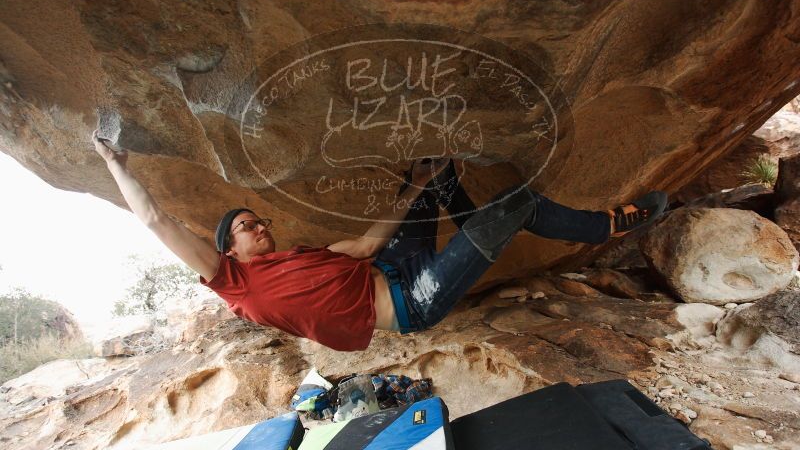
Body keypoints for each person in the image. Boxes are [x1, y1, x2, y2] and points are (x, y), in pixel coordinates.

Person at [93, 130, 667, 351]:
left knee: (427, 174)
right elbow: (156, 222)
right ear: (227, 253)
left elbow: (369, 244)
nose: (260, 227)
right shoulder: (234, 285)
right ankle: (609, 223)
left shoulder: (301, 256)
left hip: (393, 261)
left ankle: (462, 213)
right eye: (247, 227)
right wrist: (117, 165)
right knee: (516, 205)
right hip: (415, 298)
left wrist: (415, 185)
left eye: (259, 220)